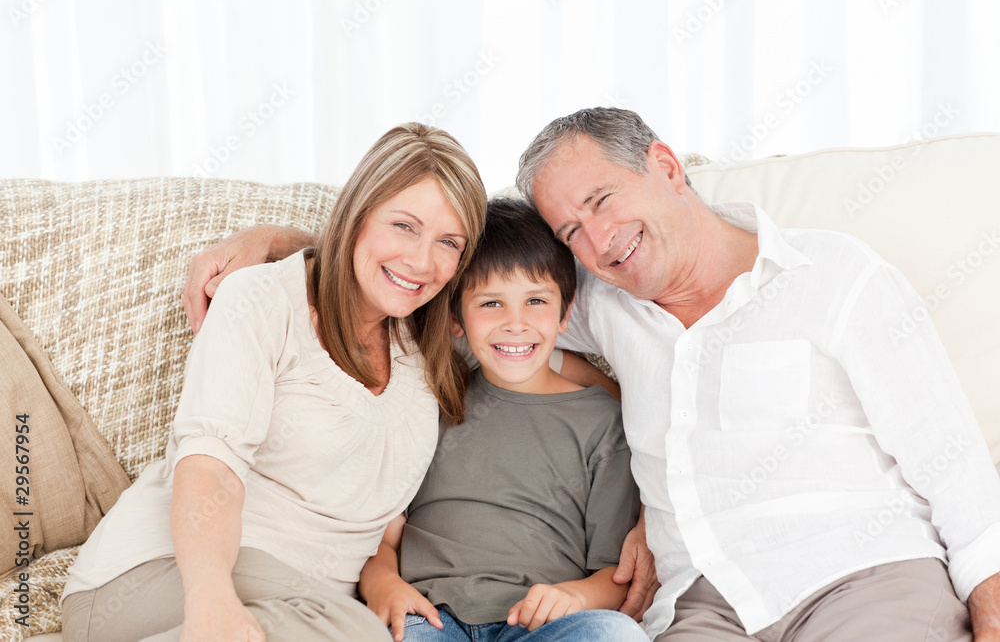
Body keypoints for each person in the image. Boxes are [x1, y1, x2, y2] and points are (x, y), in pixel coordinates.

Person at [514, 108, 1000, 641]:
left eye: (601, 201)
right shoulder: (598, 305)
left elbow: (952, 462)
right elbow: (471, 302)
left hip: (862, 574)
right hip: (700, 607)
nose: (598, 240)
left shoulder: (834, 273)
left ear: (667, 167)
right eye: (570, 232)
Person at [60, 122, 488, 642]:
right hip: (164, 578)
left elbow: (534, 327)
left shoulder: (433, 339)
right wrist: (213, 603)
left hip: (307, 613)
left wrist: (615, 397)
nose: (422, 261)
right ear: (358, 214)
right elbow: (210, 467)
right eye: (403, 225)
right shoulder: (261, 300)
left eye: (449, 242)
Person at [357, 198, 648, 642]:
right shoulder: (432, 399)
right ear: (457, 319)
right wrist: (382, 582)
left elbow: (614, 572)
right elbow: (385, 536)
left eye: (535, 300)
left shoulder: (604, 424)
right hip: (429, 618)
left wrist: (576, 598)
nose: (515, 323)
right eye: (491, 303)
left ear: (565, 313)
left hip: (539, 625)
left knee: (614, 635)